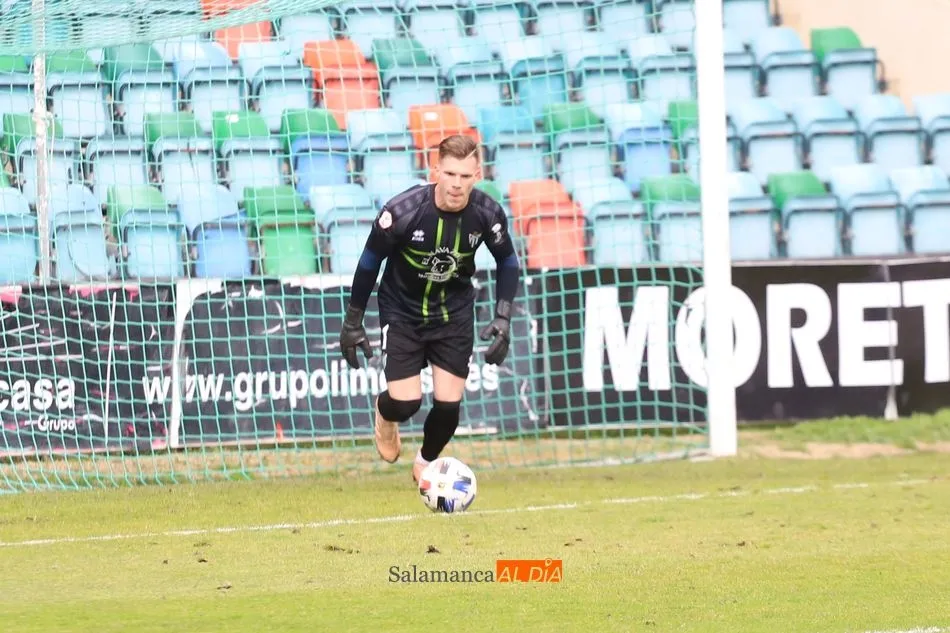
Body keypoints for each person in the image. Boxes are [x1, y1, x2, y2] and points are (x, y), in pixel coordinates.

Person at [339, 134, 521, 483]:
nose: (456, 184)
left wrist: (503, 316)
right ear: (435, 170)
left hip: (454, 313)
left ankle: (426, 462)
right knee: (405, 403)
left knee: (449, 406)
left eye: (465, 176)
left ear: (477, 175)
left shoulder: (487, 213)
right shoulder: (401, 212)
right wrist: (353, 320)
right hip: (402, 311)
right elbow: (369, 263)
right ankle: (384, 414)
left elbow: (508, 261)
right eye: (450, 174)